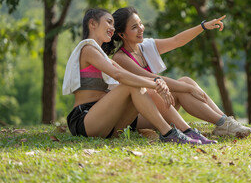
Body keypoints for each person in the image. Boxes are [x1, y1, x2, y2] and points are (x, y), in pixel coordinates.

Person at [63, 8, 209, 144]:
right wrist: (156, 84)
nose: (112, 28)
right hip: (85, 119)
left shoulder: (103, 56)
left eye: (113, 25)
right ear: (92, 23)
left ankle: (187, 131)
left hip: (109, 124)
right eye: (108, 22)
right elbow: (119, 75)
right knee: (131, 84)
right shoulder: (88, 49)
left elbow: (126, 74)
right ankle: (169, 133)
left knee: (136, 83)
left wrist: (157, 82)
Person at [102, 7, 251, 137]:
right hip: (138, 115)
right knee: (184, 87)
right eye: (134, 27)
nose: (141, 28)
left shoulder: (145, 46)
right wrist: (188, 89)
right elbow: (153, 79)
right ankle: (223, 124)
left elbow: (176, 41)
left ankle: (224, 122)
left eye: (141, 23)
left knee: (186, 80)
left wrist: (203, 26)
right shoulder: (120, 57)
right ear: (122, 35)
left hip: (158, 104)